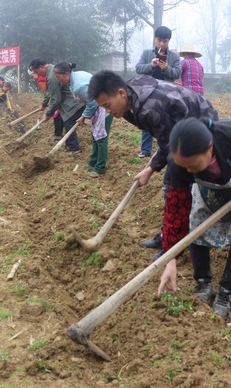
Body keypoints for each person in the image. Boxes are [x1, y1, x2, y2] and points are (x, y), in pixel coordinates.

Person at [156, 117, 231, 320]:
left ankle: (226, 291)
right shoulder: (179, 164)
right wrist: (171, 259)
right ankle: (203, 281)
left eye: (194, 165)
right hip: (209, 187)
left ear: (210, 147)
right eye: (184, 167)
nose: (188, 171)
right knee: (196, 225)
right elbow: (175, 212)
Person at [88, 70, 219, 258]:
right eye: (103, 107)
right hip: (180, 130)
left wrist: (150, 169)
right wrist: (152, 165)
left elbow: (168, 144)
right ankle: (169, 235)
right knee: (173, 186)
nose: (107, 111)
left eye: (107, 105)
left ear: (121, 93)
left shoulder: (149, 108)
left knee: (177, 188)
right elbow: (164, 137)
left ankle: (175, 244)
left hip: (200, 130)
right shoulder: (130, 99)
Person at [53, 62, 113, 177]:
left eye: (58, 77)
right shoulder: (75, 78)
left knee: (101, 137)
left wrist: (83, 117)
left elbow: (92, 103)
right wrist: (84, 116)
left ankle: (99, 169)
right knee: (95, 135)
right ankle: (92, 163)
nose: (58, 80)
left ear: (66, 74)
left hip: (104, 105)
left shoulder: (78, 85)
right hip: (98, 105)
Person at [135, 26, 181, 158]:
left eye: (165, 41)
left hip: (166, 92)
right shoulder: (147, 53)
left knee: (168, 119)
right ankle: (145, 150)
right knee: (146, 118)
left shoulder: (174, 56)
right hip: (148, 91)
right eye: (159, 40)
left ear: (168, 42)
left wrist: (166, 68)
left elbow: (177, 73)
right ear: (155, 39)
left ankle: (170, 149)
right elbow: (138, 68)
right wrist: (151, 66)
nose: (162, 44)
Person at [29, 58, 83, 154]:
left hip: (73, 102)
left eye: (36, 71)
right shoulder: (54, 69)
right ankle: (69, 144)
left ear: (41, 67)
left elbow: (56, 99)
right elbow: (51, 93)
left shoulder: (51, 77)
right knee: (65, 120)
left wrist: (48, 114)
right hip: (73, 99)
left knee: (69, 122)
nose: (37, 74)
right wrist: (44, 105)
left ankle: (75, 149)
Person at [29, 68, 64, 141]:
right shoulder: (45, 77)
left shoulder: (41, 80)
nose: (33, 78)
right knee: (59, 115)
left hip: (58, 99)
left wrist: (44, 105)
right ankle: (59, 134)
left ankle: (58, 135)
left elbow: (47, 94)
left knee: (56, 116)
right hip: (59, 98)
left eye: (32, 76)